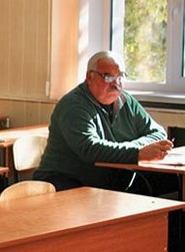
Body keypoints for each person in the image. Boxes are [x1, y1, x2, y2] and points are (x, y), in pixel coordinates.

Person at [34, 50, 176, 193]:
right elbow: (90, 149)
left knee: (170, 182)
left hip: (109, 182)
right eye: (108, 77)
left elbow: (158, 133)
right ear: (89, 77)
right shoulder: (73, 106)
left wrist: (137, 149)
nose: (116, 84)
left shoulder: (126, 101)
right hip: (67, 182)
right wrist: (137, 153)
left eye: (120, 76)